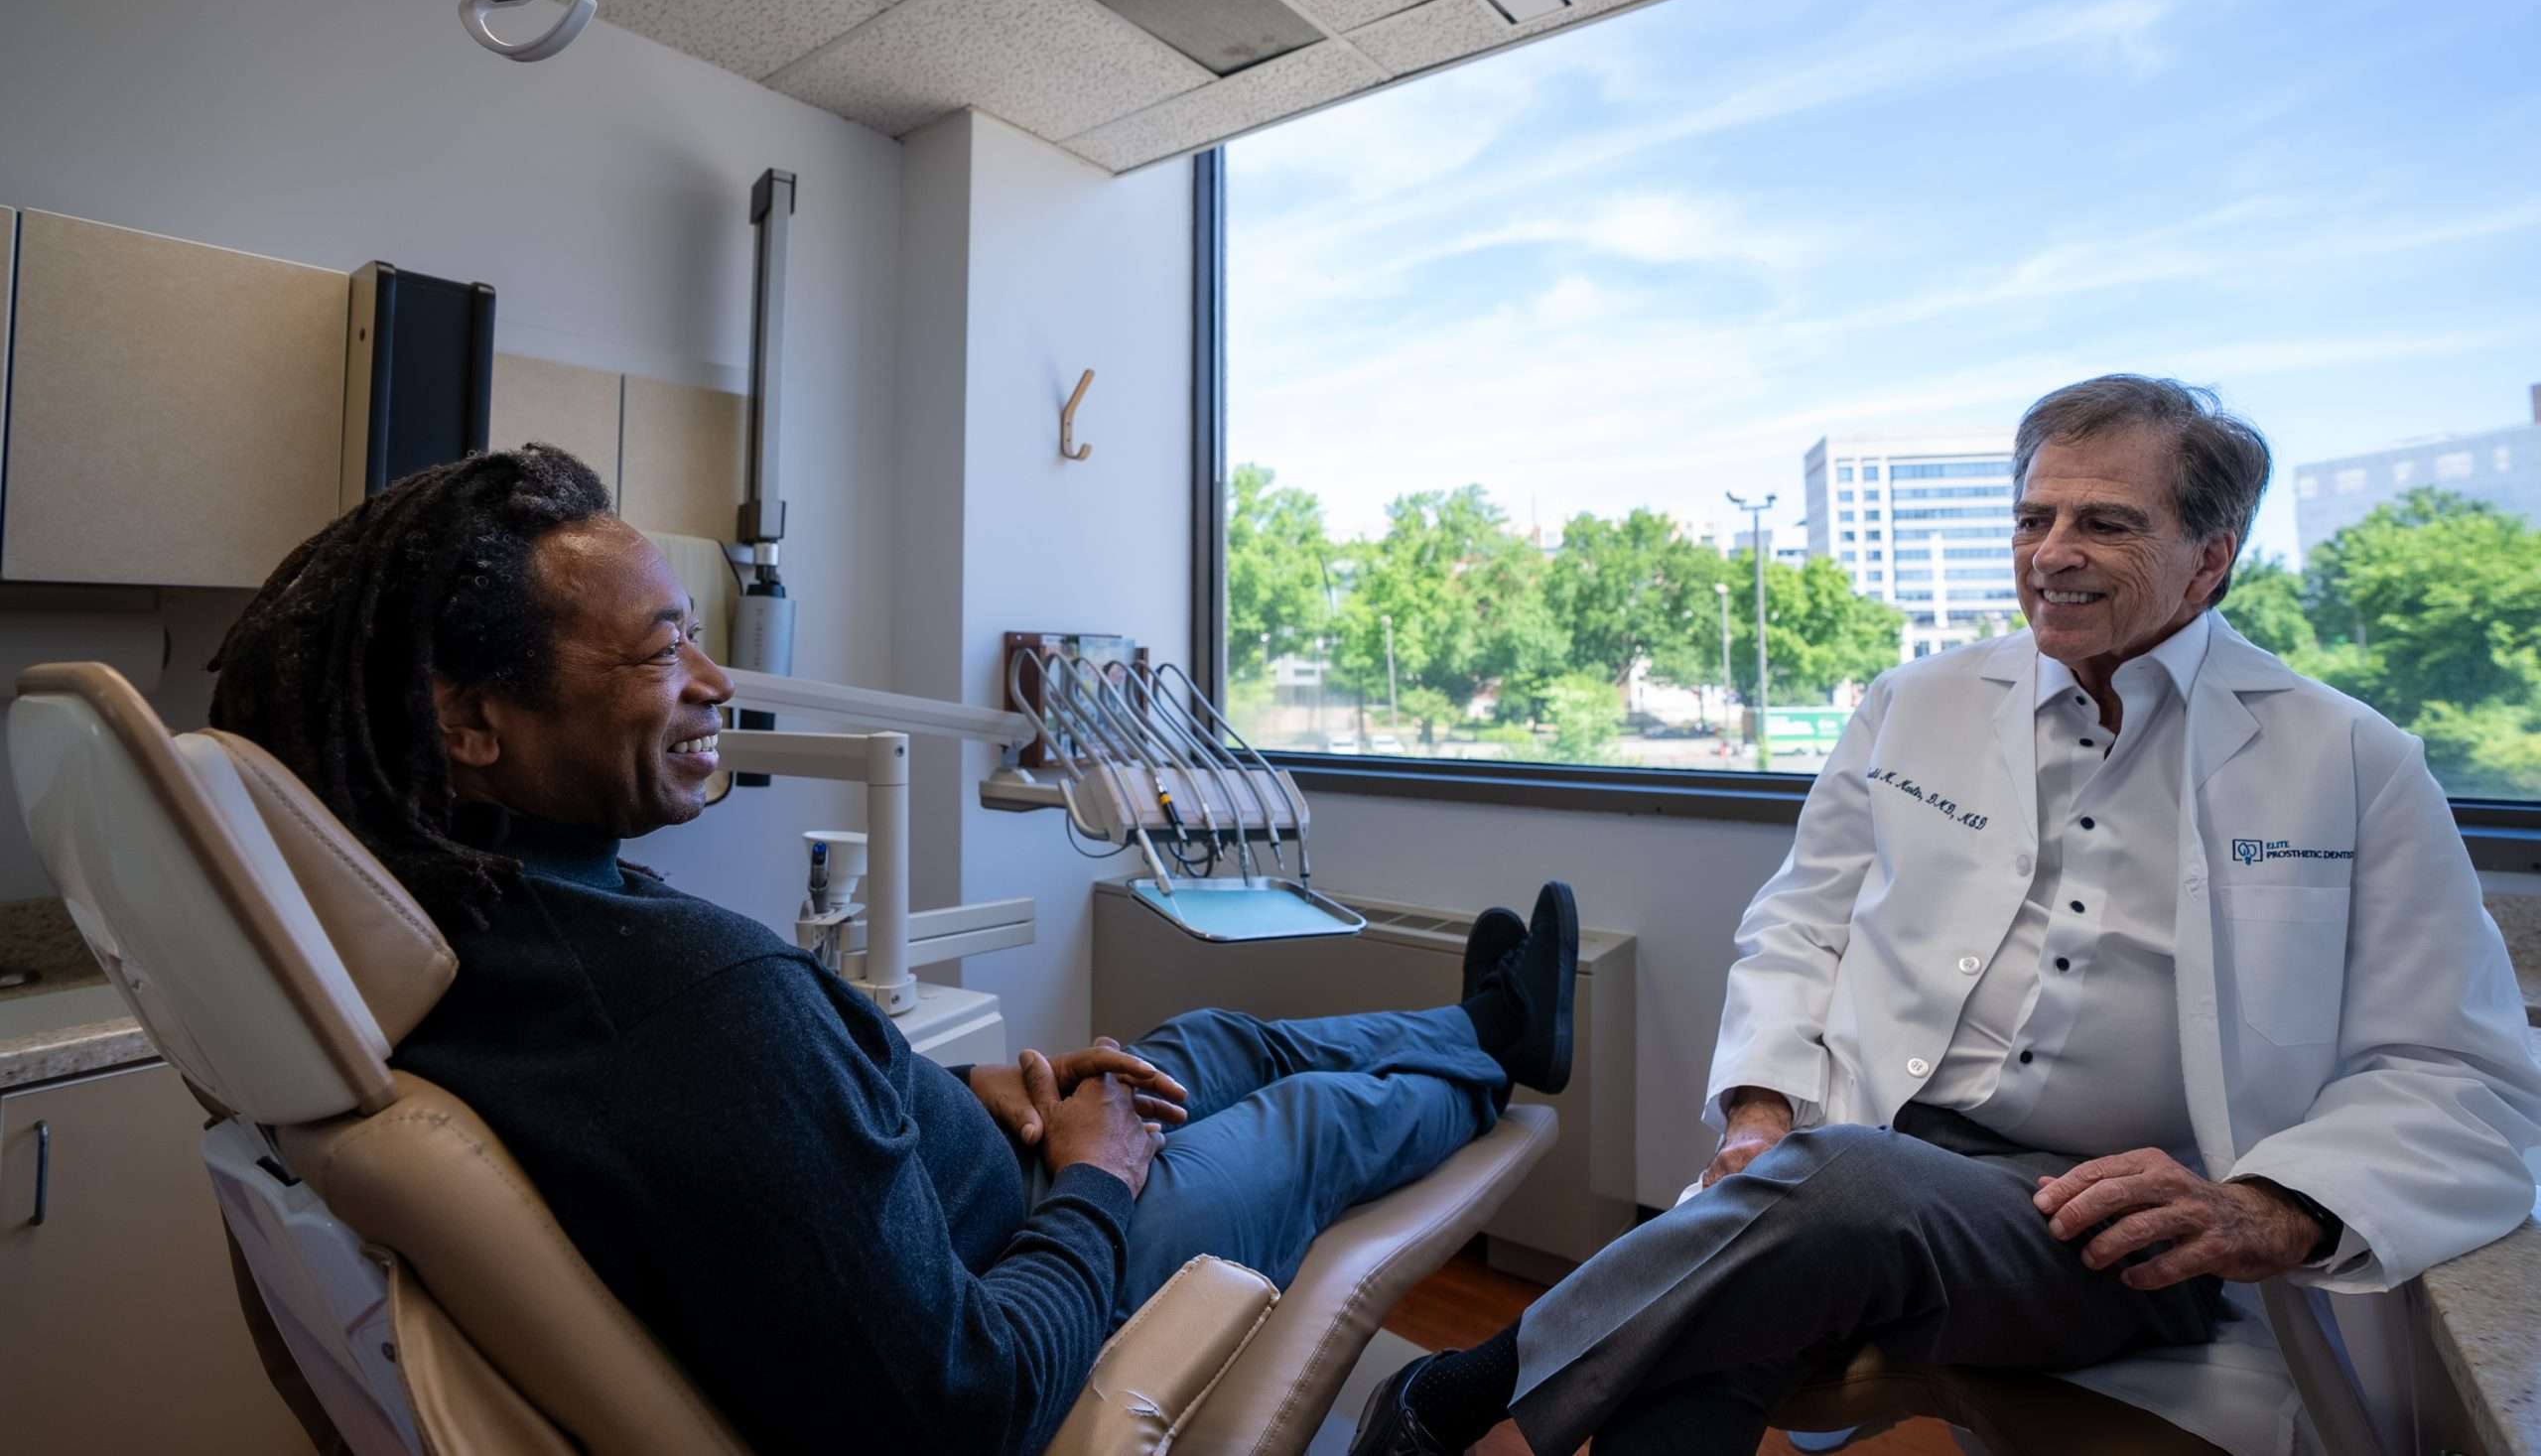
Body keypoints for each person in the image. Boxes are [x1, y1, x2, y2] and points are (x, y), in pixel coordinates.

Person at [204, 444, 1580, 1456]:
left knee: (1212, 1036)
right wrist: (1092, 1175)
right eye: (661, 650)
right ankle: (1484, 1079)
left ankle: (1485, 1026)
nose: (717, 682)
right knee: (1313, 1116)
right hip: (1046, 1253)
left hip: (982, 1181)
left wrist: (949, 1102)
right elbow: (968, 1400)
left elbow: (769, 1154)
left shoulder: (467, 947)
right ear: (469, 723)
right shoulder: (687, 1006)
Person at [1352, 375, 2541, 1456]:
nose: (2050, 554)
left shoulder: (2349, 758)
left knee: (1843, 1189)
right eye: (2032, 519)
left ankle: (1459, 1397)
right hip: (1866, 1152)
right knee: (1707, 1353)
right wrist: (1760, 1111)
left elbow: (2463, 1075)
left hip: (2118, 1226)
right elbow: (1800, 927)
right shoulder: (1912, 703)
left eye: (2105, 523)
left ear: (2209, 557)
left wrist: (2260, 1209)